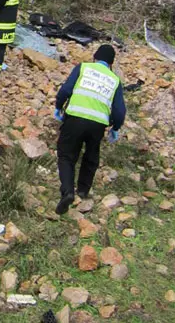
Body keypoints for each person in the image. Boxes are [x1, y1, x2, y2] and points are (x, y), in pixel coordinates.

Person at [53, 44, 126, 214]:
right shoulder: (114, 80)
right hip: (97, 124)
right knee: (91, 157)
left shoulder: (83, 68)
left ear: (95, 57)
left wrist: (58, 106)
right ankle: (83, 190)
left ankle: (68, 191)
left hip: (75, 118)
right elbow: (119, 110)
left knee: (66, 155)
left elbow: (66, 90)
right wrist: (115, 127)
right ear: (111, 64)